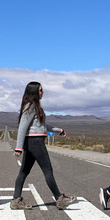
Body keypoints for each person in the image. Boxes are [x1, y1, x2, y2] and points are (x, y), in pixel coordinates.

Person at [11, 82, 76, 210]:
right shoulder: (30, 107)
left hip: (32, 143)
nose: (42, 92)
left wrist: (58, 130)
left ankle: (16, 200)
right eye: (40, 90)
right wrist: (18, 147)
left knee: (24, 172)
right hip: (35, 143)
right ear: (34, 92)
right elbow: (22, 127)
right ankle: (59, 198)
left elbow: (41, 126)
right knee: (48, 171)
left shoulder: (34, 107)